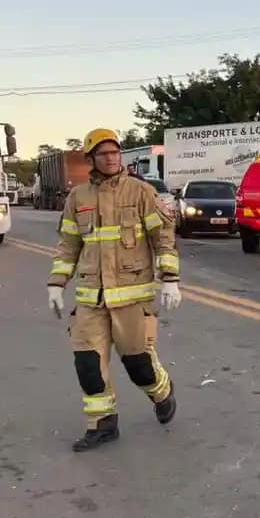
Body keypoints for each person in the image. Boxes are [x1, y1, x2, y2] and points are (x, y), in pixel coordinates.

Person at [47, 128, 181, 452]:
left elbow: (162, 238)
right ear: (91, 159)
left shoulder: (141, 192)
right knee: (88, 366)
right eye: (103, 153)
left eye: (115, 152)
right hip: (91, 299)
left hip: (133, 298)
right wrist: (56, 284)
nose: (111, 158)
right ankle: (103, 424)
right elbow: (68, 246)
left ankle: (161, 391)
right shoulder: (77, 198)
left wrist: (171, 279)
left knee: (139, 367)